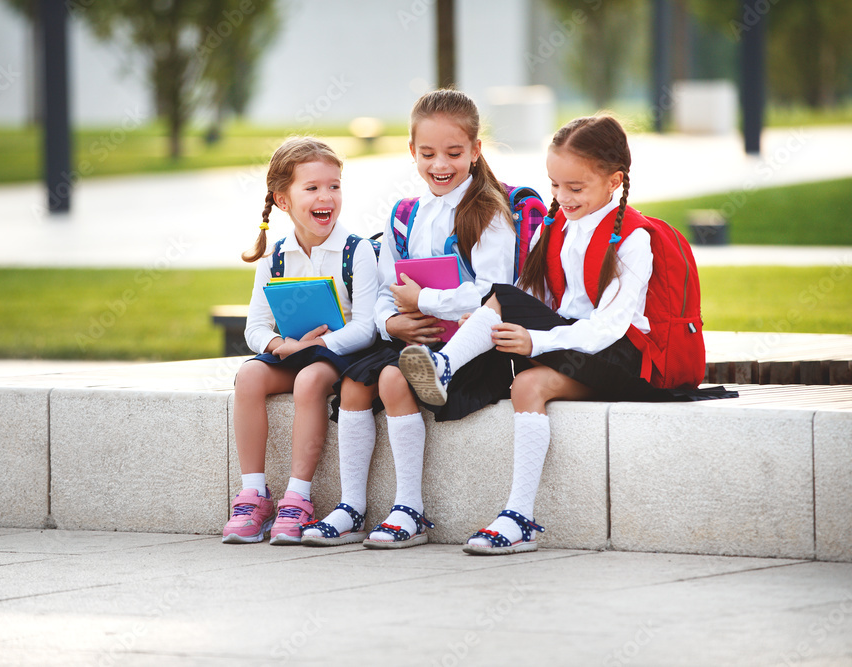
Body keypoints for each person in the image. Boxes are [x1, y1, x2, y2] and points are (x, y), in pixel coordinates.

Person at [398, 114, 736, 555]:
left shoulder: (634, 239)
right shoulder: (552, 227)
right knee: (526, 376)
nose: (561, 197)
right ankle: (518, 513)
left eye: (575, 188)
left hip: (628, 358)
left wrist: (535, 342)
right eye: (555, 185)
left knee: (510, 321)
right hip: (576, 346)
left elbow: (609, 327)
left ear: (614, 180)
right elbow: (532, 300)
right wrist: (488, 327)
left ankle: (448, 373)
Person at [301, 89, 516, 549]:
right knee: (355, 383)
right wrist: (388, 324)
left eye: (454, 153)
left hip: (467, 350)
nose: (441, 164)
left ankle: (409, 508)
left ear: (476, 151)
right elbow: (382, 288)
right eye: (428, 153)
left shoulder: (488, 213)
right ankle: (352, 507)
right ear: (412, 152)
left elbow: (493, 291)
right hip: (408, 338)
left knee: (395, 381)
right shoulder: (404, 215)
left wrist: (427, 299)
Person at [223, 137, 379, 546]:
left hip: (337, 355)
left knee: (310, 380)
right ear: (283, 200)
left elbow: (367, 326)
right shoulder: (275, 257)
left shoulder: (356, 251)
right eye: (312, 188)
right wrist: (281, 347)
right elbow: (255, 327)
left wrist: (315, 349)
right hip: (292, 352)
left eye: (334, 186)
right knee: (250, 377)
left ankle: (298, 498)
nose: (326, 196)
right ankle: (253, 494)